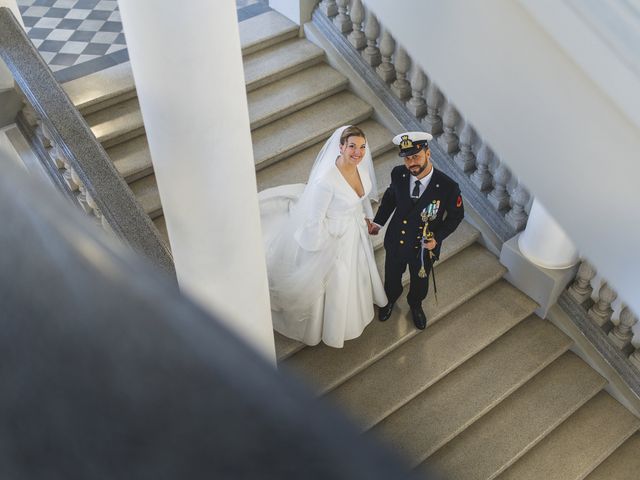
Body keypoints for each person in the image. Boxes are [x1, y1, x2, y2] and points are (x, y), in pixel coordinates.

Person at [259, 126, 387, 348]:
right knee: (335, 280)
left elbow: (362, 197)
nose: (358, 152)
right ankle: (327, 327)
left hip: (353, 230)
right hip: (332, 237)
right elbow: (314, 219)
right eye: (352, 146)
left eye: (362, 147)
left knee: (355, 272)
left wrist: (368, 217)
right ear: (341, 147)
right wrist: (318, 250)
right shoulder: (325, 181)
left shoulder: (361, 169)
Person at [369, 131, 464, 330]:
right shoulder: (399, 174)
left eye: (416, 156)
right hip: (396, 241)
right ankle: (390, 300)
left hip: (422, 248)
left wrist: (437, 239)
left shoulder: (448, 187)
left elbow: (456, 217)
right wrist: (378, 223)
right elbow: (390, 199)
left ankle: (415, 305)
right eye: (407, 158)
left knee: (420, 282)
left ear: (428, 153)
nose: (411, 163)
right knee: (392, 277)